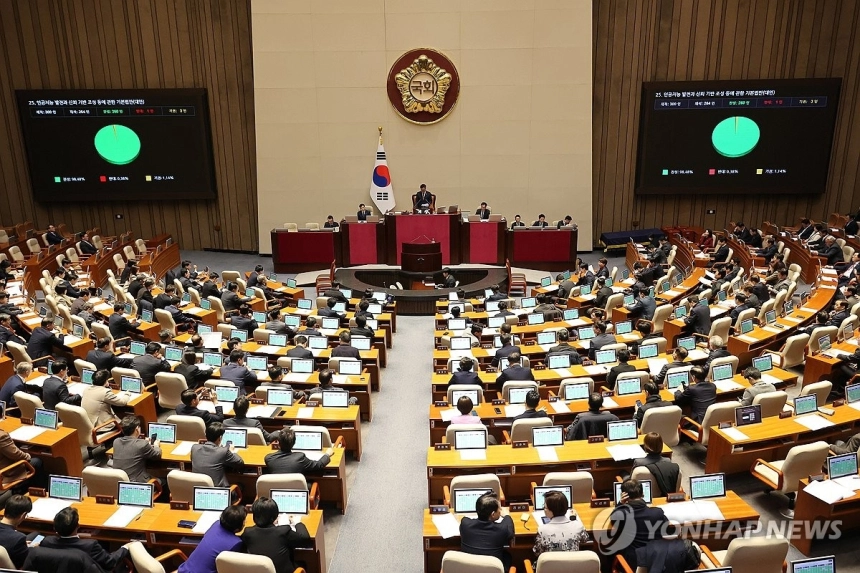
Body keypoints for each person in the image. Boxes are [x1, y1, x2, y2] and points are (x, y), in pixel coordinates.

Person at [40, 507, 130, 572]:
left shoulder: (46, 541)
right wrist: (125, 548)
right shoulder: (90, 545)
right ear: (78, 526)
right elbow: (110, 562)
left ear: (55, 528)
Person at [607, 479, 668, 571]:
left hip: (633, 564)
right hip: (657, 561)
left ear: (625, 496)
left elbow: (613, 518)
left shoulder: (623, 514)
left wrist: (620, 504)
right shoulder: (657, 513)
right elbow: (666, 527)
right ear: (643, 495)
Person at [242, 497, 312, 573]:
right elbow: (305, 539)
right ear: (275, 516)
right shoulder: (283, 531)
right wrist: (298, 523)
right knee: (302, 563)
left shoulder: (248, 532)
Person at [177, 506, 245, 573]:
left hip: (184, 570)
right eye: (244, 522)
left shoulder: (216, 524)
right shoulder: (236, 543)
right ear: (237, 528)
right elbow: (229, 567)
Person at [459, 492, 515, 570]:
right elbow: (508, 524)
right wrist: (506, 515)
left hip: (469, 569)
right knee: (507, 556)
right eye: (499, 508)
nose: (500, 510)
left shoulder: (465, 524)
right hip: (493, 569)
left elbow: (466, 518)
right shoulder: (502, 529)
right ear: (492, 514)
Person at [532, 489, 588, 556]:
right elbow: (585, 539)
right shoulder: (578, 526)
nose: (544, 509)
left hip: (551, 566)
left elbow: (537, 552)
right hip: (572, 565)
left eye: (545, 507)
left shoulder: (542, 530)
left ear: (551, 511)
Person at [111, 414, 163, 484]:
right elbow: (157, 455)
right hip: (137, 484)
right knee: (163, 481)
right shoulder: (142, 444)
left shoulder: (116, 442)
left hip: (120, 483)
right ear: (137, 429)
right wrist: (156, 445)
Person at [190, 422, 244, 488]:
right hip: (219, 493)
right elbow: (240, 462)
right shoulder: (223, 451)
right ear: (220, 438)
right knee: (241, 485)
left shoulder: (194, 448)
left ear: (205, 435)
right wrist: (232, 451)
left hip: (198, 490)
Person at [265, 428, 333, 475]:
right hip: (297, 490)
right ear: (294, 443)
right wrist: (327, 454)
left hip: (276, 490)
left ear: (278, 443)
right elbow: (318, 465)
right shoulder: (300, 458)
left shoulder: (268, 459)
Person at [0, 426, 44, 492]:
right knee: (37, 462)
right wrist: (27, 456)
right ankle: (38, 492)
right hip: (5, 474)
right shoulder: (1, 436)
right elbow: (16, 454)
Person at [0, 495, 32, 568]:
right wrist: (29, 549)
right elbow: (24, 566)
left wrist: (22, 546)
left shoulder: (18, 539)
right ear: (23, 515)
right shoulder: (19, 538)